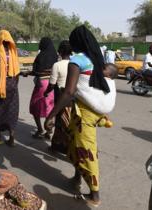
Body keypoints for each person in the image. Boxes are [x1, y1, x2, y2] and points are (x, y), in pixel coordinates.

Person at [44, 25, 111, 207]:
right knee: (74, 146)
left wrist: (51, 115)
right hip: (89, 112)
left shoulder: (77, 61)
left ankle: (95, 195)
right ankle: (76, 178)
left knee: (86, 152)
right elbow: (111, 71)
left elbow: (68, 92)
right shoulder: (96, 59)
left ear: (75, 43)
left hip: (84, 116)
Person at [0, 30, 20, 147]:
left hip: (2, 85)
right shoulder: (13, 52)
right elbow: (17, 72)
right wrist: (15, 86)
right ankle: (11, 138)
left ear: (0, 40)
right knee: (12, 111)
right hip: (13, 84)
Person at [43, 40, 72, 153]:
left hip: (60, 97)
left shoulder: (57, 65)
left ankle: (58, 146)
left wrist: (46, 92)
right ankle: (63, 146)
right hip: (72, 98)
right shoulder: (75, 64)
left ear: (60, 51)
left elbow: (52, 84)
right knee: (68, 123)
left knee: (60, 123)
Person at [30, 37, 58, 139]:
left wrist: (27, 73)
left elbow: (35, 71)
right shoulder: (55, 56)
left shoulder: (40, 56)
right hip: (52, 85)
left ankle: (40, 129)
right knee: (50, 108)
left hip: (41, 85)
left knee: (35, 107)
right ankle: (49, 131)